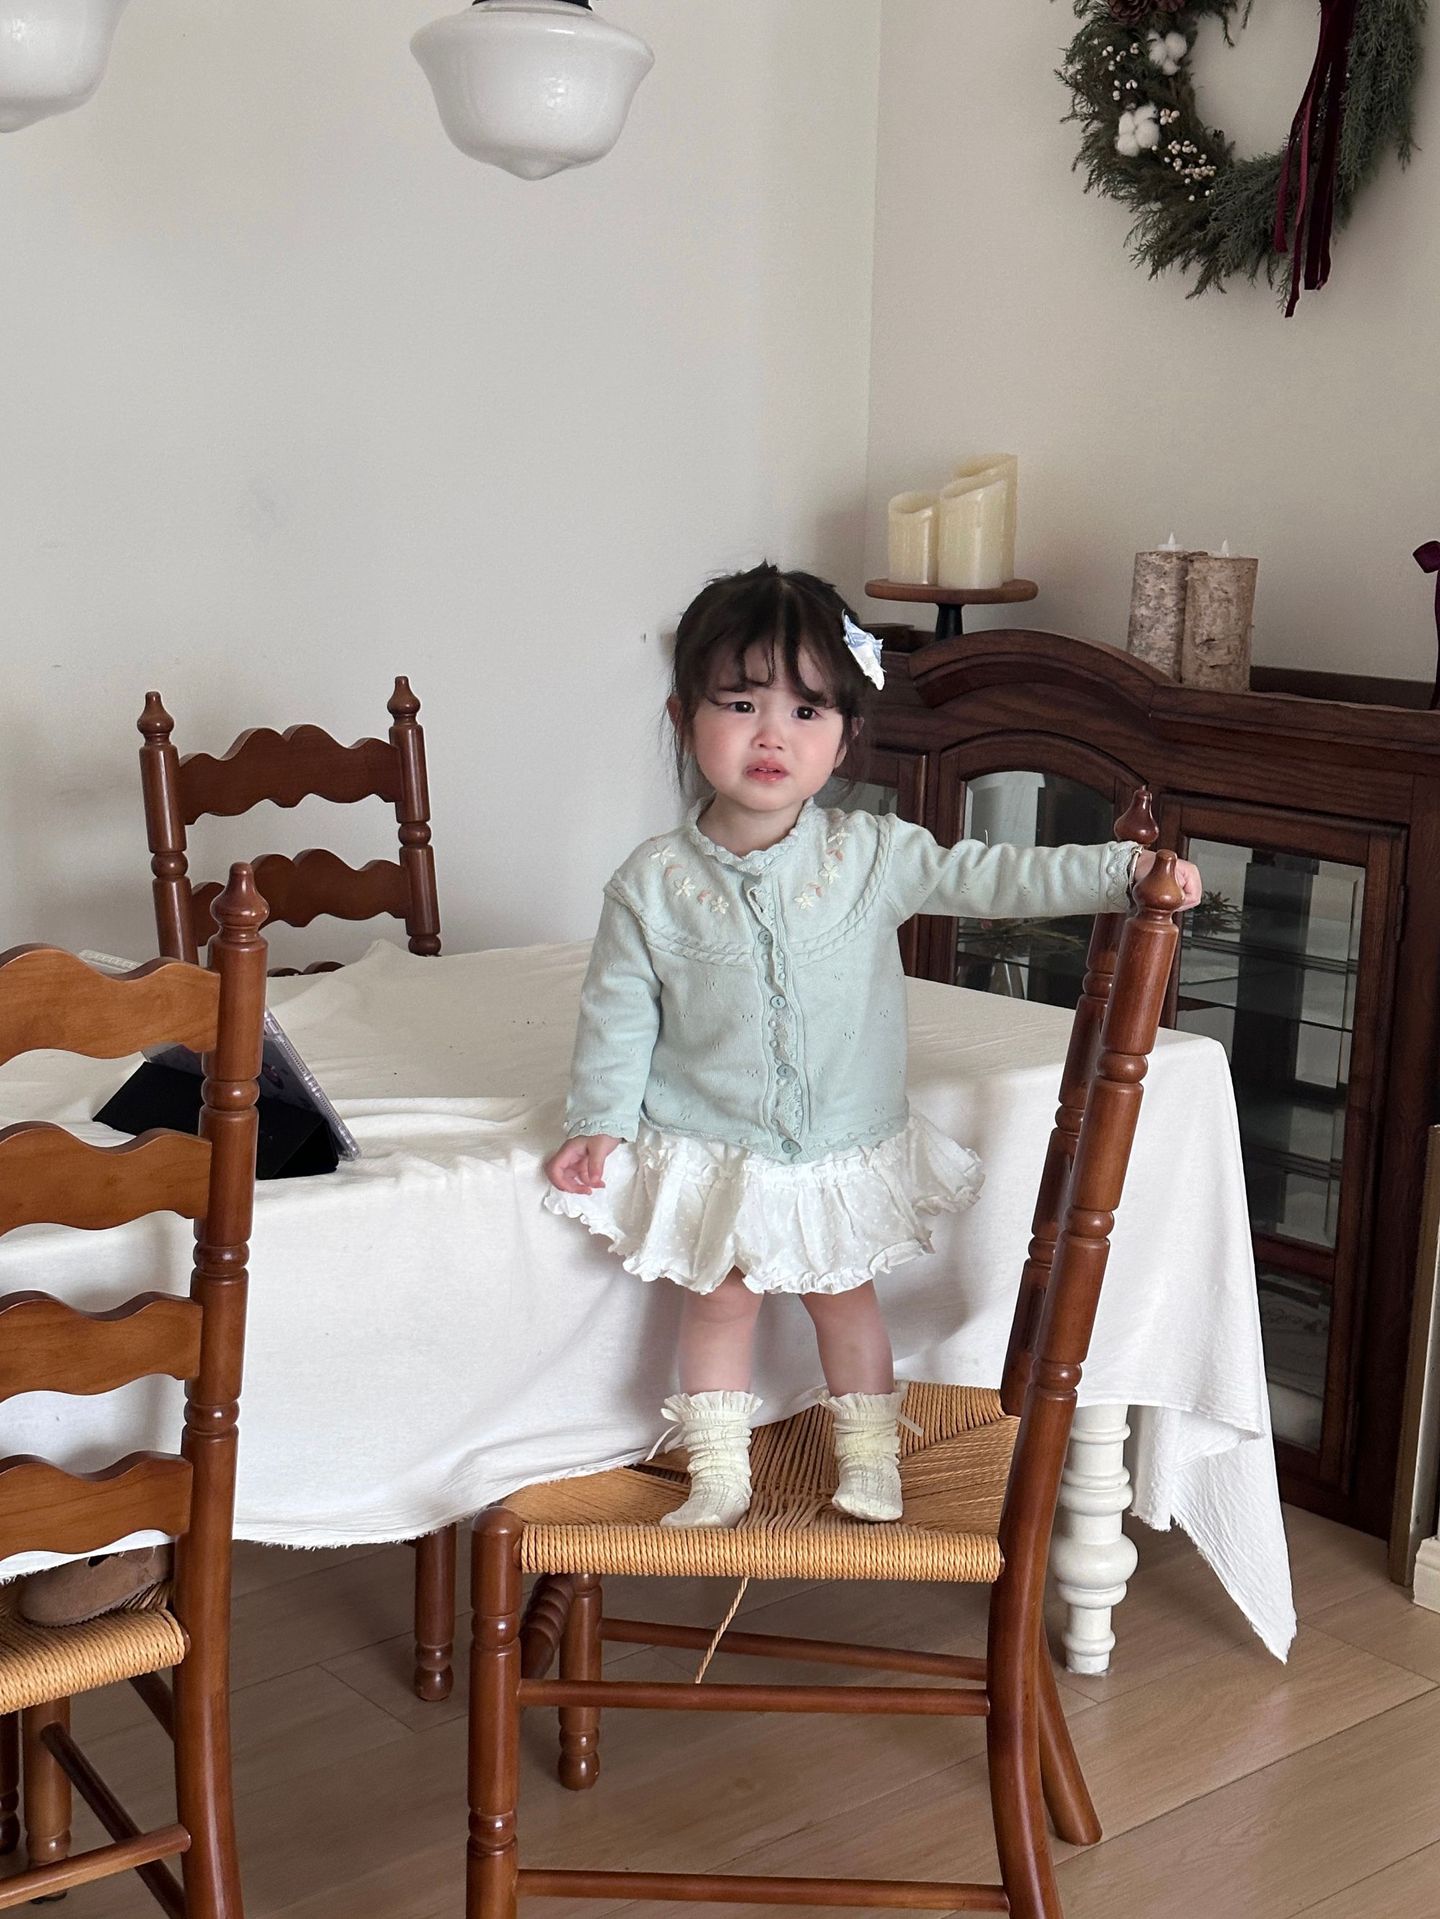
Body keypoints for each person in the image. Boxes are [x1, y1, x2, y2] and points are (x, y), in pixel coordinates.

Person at [543, 562, 1200, 1530]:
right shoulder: (651, 882)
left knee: (845, 1299)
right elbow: (619, 1012)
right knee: (717, 1297)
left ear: (847, 734)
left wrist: (1122, 870)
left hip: (839, 1141)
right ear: (686, 718)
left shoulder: (872, 853)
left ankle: (870, 1456)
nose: (772, 735)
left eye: (807, 711)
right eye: (741, 703)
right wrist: (599, 1119)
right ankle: (718, 1468)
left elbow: (994, 876)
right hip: (712, 1139)